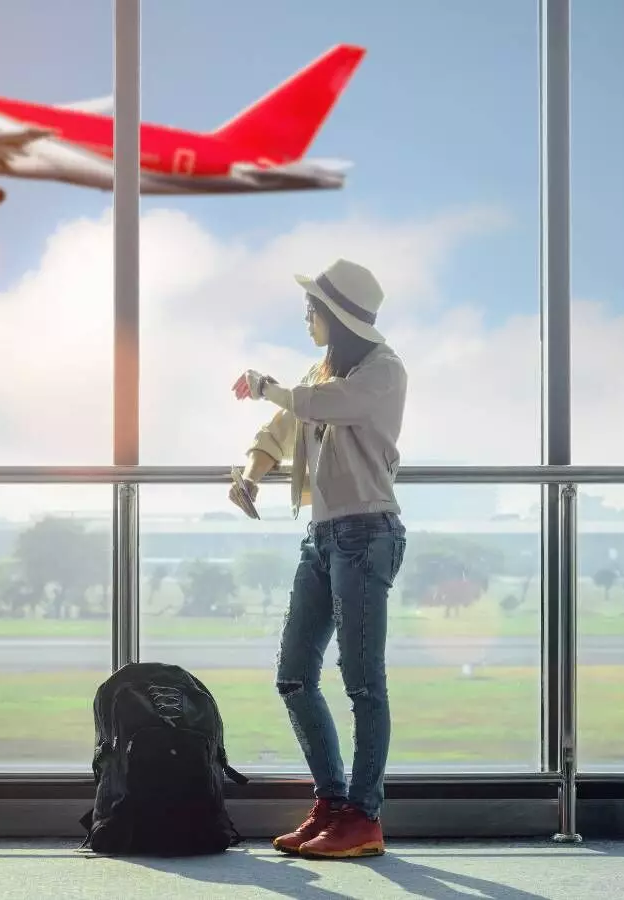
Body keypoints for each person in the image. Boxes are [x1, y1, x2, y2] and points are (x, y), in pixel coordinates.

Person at [231, 258, 408, 859]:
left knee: (363, 685)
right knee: (295, 675)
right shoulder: (322, 371)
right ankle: (333, 804)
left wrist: (265, 384)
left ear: (336, 316)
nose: (305, 313)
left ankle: (364, 817)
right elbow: (282, 429)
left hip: (367, 533)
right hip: (324, 536)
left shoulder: (383, 372)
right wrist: (252, 474)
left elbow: (311, 405)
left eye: (313, 306)